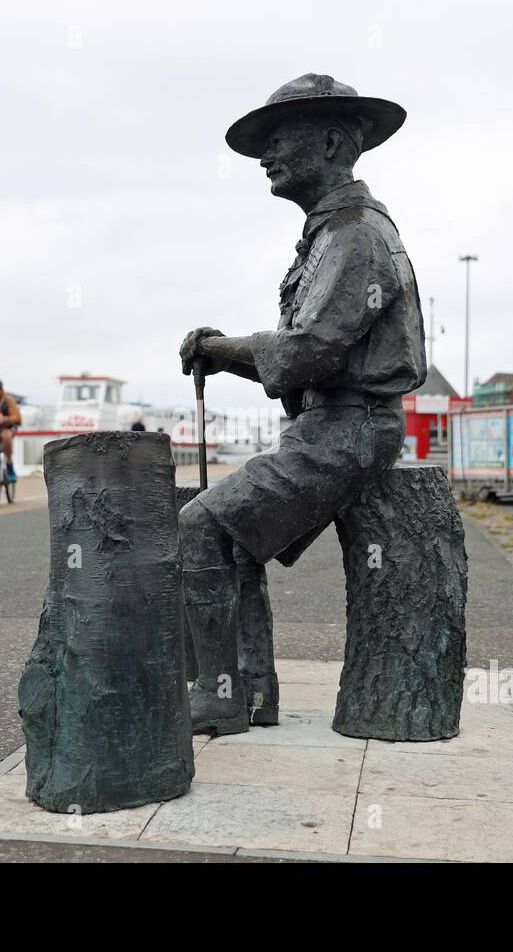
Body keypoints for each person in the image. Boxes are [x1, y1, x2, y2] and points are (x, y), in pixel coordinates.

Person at [177, 74, 426, 735]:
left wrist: (223, 347)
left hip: (350, 428)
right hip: (329, 424)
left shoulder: (356, 235)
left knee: (199, 527)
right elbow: (302, 357)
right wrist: (226, 352)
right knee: (229, 540)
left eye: (280, 139)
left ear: (332, 142)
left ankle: (224, 696)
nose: (267, 155)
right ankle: (246, 694)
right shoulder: (331, 234)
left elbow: (312, 351)